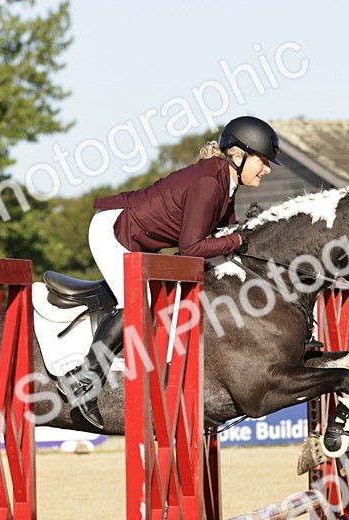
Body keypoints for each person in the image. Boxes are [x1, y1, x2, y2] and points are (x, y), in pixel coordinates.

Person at [61, 115, 280, 428]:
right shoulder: (209, 182)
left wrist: (245, 232)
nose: (267, 169)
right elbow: (191, 249)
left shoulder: (225, 183)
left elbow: (218, 236)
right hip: (114, 231)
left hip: (140, 240)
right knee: (138, 305)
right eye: (263, 161)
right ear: (237, 155)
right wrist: (239, 238)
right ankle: (83, 382)